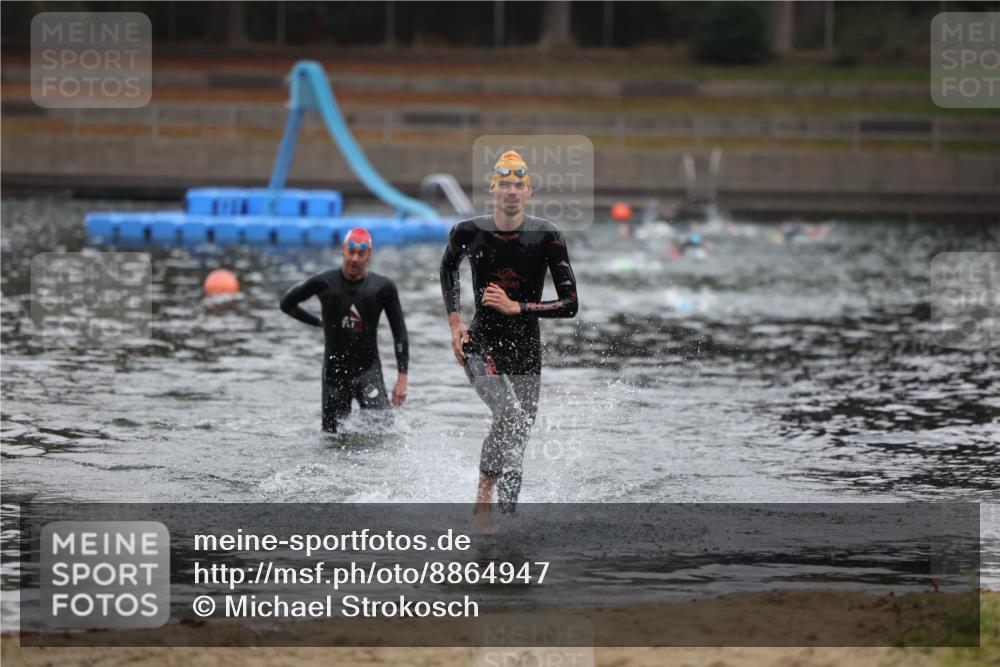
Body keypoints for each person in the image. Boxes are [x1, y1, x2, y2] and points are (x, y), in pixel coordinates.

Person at [440, 150, 578, 523]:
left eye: (519, 185)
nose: (511, 191)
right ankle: (483, 497)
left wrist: (518, 307)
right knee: (507, 414)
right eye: (504, 185)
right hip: (480, 344)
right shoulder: (469, 231)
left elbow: (570, 304)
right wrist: (455, 322)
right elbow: (448, 266)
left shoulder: (547, 235)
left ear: (529, 191)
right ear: (493, 190)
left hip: (526, 348)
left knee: (519, 435)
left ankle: (508, 518)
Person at [280, 228, 408, 433]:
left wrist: (402, 378)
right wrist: (317, 322)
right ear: (343, 251)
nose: (355, 259)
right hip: (334, 374)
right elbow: (286, 304)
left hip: (368, 371)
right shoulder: (323, 282)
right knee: (332, 438)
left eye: (361, 253)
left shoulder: (383, 287)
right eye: (351, 252)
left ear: (369, 255)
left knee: (384, 433)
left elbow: (399, 332)